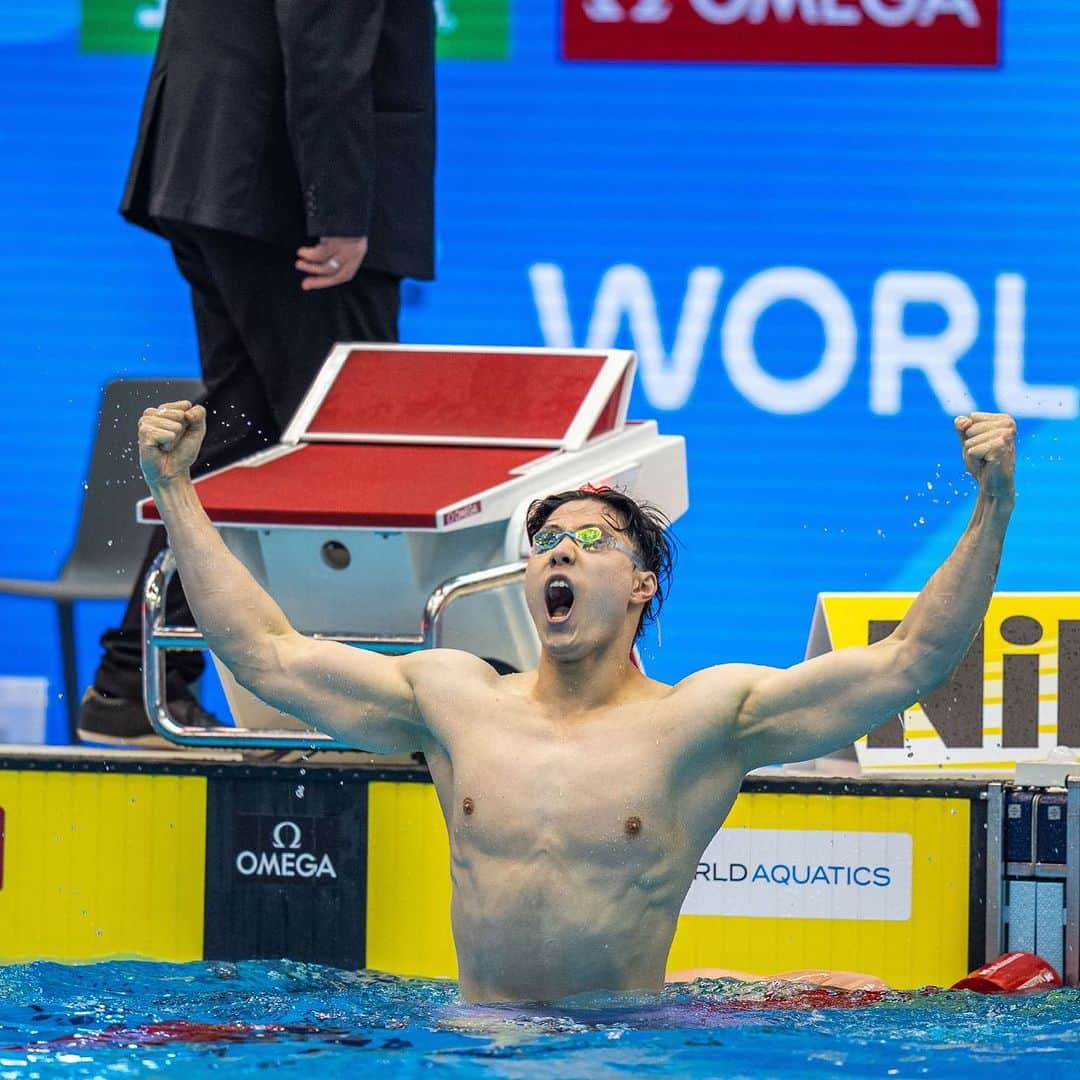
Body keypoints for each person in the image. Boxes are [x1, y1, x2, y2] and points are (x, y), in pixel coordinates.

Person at [134, 401, 1016, 1003]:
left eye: (590, 540)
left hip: (624, 1049)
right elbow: (268, 655)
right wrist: (175, 487)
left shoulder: (704, 720)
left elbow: (913, 659)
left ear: (639, 585)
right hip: (474, 1041)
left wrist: (994, 504)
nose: (558, 553)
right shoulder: (453, 699)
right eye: (545, 541)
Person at [77, 0, 435, 745]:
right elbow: (326, 37)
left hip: (218, 167)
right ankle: (367, 711)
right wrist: (336, 205)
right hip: (280, 193)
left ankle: (135, 684)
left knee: (243, 430)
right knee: (350, 443)